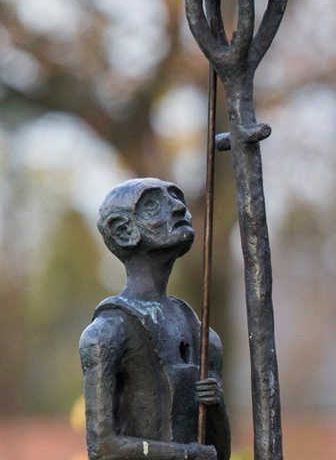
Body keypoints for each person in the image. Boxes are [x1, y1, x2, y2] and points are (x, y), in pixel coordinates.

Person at [79, 178, 231, 460]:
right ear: (123, 231)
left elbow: (220, 453)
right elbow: (102, 448)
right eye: (152, 205)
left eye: (177, 198)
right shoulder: (106, 334)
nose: (178, 208)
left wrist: (217, 408)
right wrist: (187, 455)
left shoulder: (203, 336)